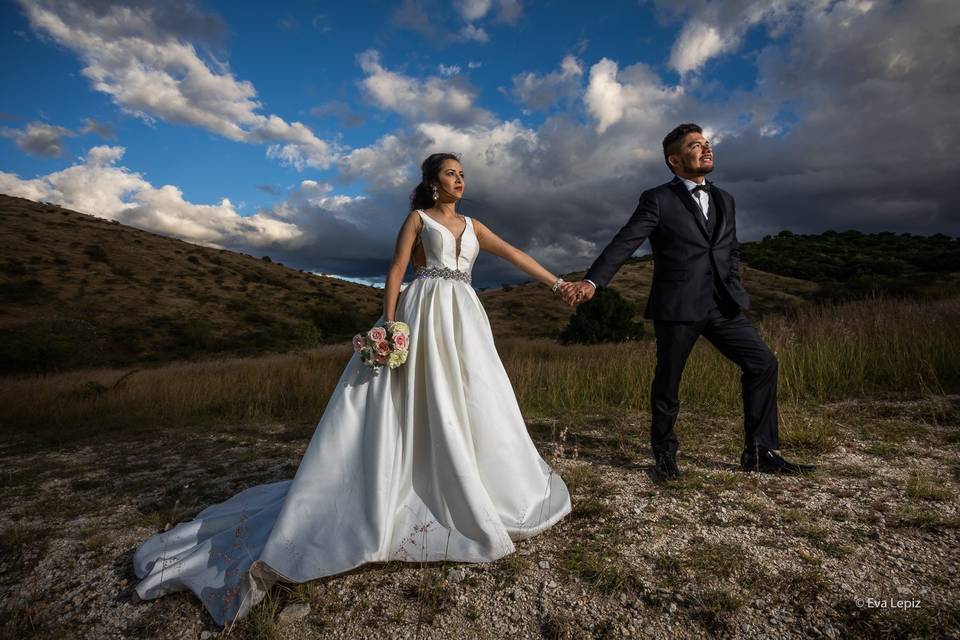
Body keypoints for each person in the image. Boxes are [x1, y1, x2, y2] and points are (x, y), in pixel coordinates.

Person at [132, 153, 572, 626]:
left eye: (463, 173)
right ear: (431, 183)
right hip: (422, 309)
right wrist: (389, 323)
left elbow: (513, 254)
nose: (460, 179)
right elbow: (398, 268)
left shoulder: (473, 224)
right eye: (450, 173)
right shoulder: (418, 218)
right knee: (413, 394)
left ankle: (476, 475)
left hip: (464, 313)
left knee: (476, 392)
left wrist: (559, 284)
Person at [562, 123, 816, 480]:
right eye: (696, 145)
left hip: (722, 305)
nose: (706, 148)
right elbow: (626, 240)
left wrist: (733, 284)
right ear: (675, 160)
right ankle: (664, 455)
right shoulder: (658, 199)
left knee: (763, 363)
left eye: (707, 143)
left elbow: (730, 251)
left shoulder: (726, 199)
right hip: (678, 305)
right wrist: (593, 281)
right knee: (669, 381)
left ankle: (760, 451)